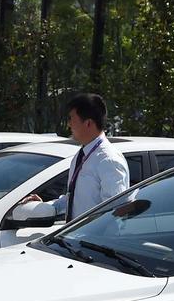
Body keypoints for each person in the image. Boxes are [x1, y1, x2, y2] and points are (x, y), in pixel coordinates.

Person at [18, 93, 128, 222]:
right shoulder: (82, 154)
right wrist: (46, 207)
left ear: (88, 123)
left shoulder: (109, 160)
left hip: (94, 234)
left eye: (72, 119)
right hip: (77, 234)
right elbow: (74, 199)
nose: (69, 124)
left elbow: (114, 211)